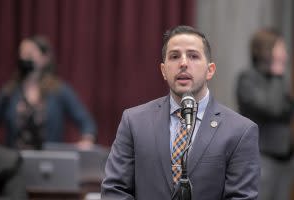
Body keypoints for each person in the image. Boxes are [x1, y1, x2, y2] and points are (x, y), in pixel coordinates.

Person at [101, 25, 260, 200]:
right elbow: (114, 190)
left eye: (193, 56)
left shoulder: (240, 131)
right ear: (163, 70)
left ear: (210, 70)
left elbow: (242, 197)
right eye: (175, 56)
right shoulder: (134, 121)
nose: (183, 63)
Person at [0, 35, 97, 150]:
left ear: (45, 58)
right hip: (15, 161)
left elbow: (86, 121)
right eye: (21, 54)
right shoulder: (9, 92)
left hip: (48, 161)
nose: (24, 58)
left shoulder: (59, 90)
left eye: (29, 54)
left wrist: (87, 139)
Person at [236, 28, 294, 200]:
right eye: (280, 48)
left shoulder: (281, 79)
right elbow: (273, 108)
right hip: (261, 158)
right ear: (266, 50)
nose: (285, 54)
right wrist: (277, 76)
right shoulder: (248, 78)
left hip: (285, 158)